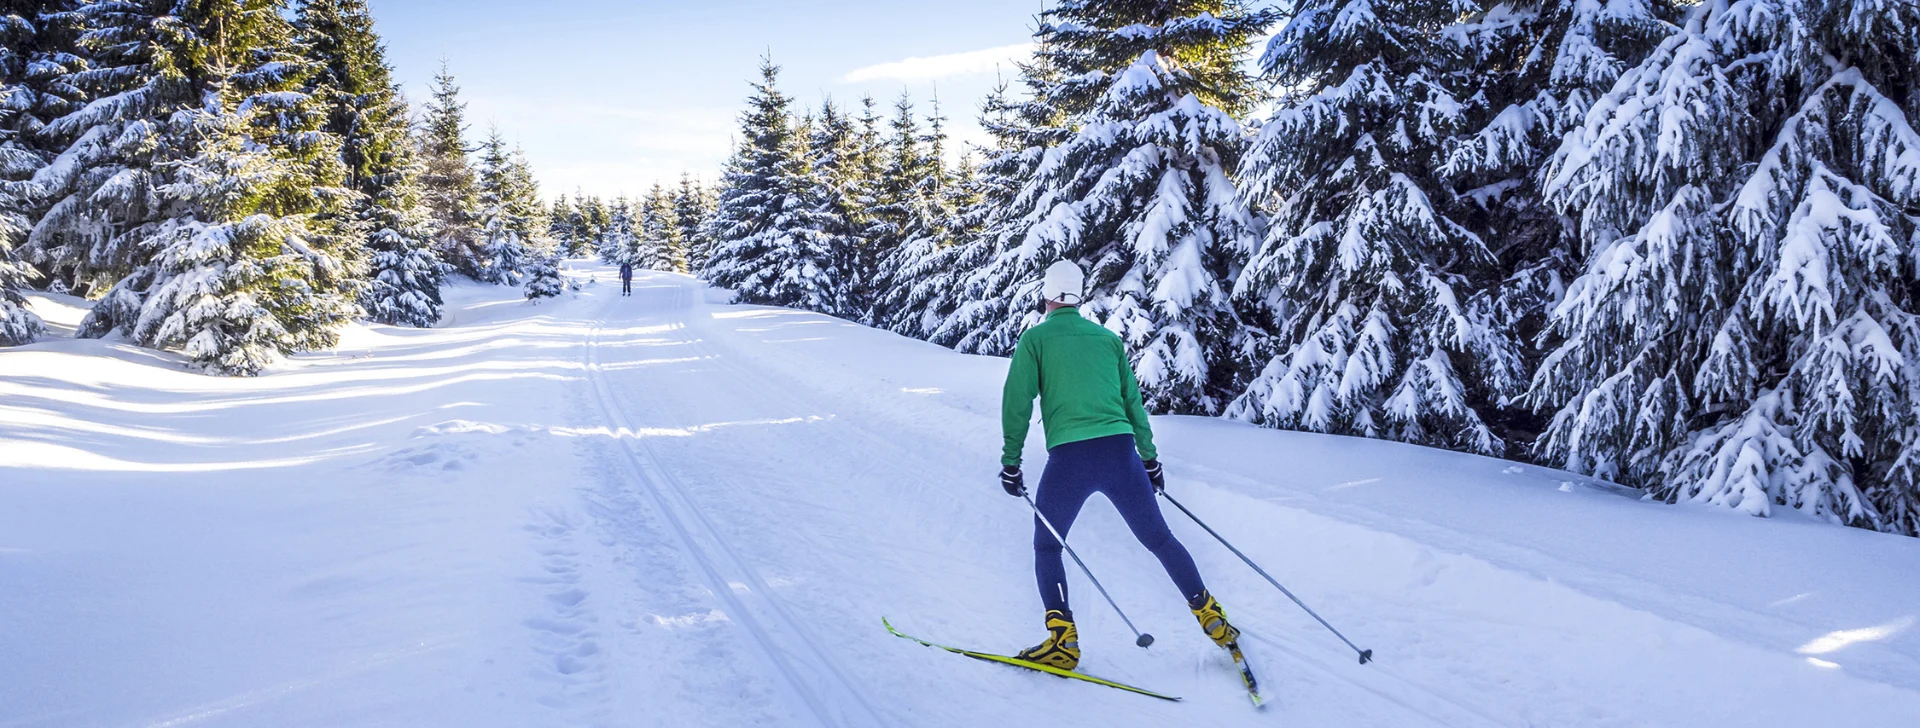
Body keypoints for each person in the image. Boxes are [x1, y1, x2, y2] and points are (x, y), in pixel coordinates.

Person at [999, 260, 1239, 671]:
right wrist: (1149, 459)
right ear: (1079, 294)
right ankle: (1211, 617)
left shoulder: (1035, 340)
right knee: (1160, 539)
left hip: (1070, 458)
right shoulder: (1107, 340)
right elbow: (1133, 404)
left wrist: (1011, 461)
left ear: (1047, 294)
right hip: (1120, 452)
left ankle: (1063, 642)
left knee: (1048, 545)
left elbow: (1017, 402)